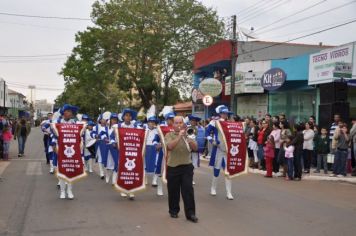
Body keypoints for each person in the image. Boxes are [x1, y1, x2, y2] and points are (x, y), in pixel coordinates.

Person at [165, 116, 198, 223]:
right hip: (173, 167)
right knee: (173, 191)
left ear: (183, 124)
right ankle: (173, 211)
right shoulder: (169, 135)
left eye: (180, 122)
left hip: (187, 167)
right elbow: (169, 146)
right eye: (176, 123)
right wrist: (179, 136)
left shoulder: (189, 133)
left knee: (188, 190)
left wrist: (189, 140)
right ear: (173, 124)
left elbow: (195, 148)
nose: (178, 124)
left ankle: (191, 214)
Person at [206, 105, 234, 200]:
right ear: (220, 113)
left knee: (228, 171)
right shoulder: (214, 122)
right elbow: (207, 133)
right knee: (216, 170)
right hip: (218, 148)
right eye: (223, 113)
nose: (225, 115)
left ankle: (229, 192)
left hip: (228, 150)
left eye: (226, 113)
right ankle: (213, 188)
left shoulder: (230, 123)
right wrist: (212, 141)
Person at [55, 104, 79, 199]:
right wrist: (53, 144)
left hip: (71, 151)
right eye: (68, 111)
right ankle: (62, 191)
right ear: (63, 112)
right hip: (61, 150)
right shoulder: (58, 122)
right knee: (61, 171)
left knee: (70, 171)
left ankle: (69, 191)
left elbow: (79, 136)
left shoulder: (75, 123)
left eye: (71, 112)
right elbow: (53, 134)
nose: (69, 113)